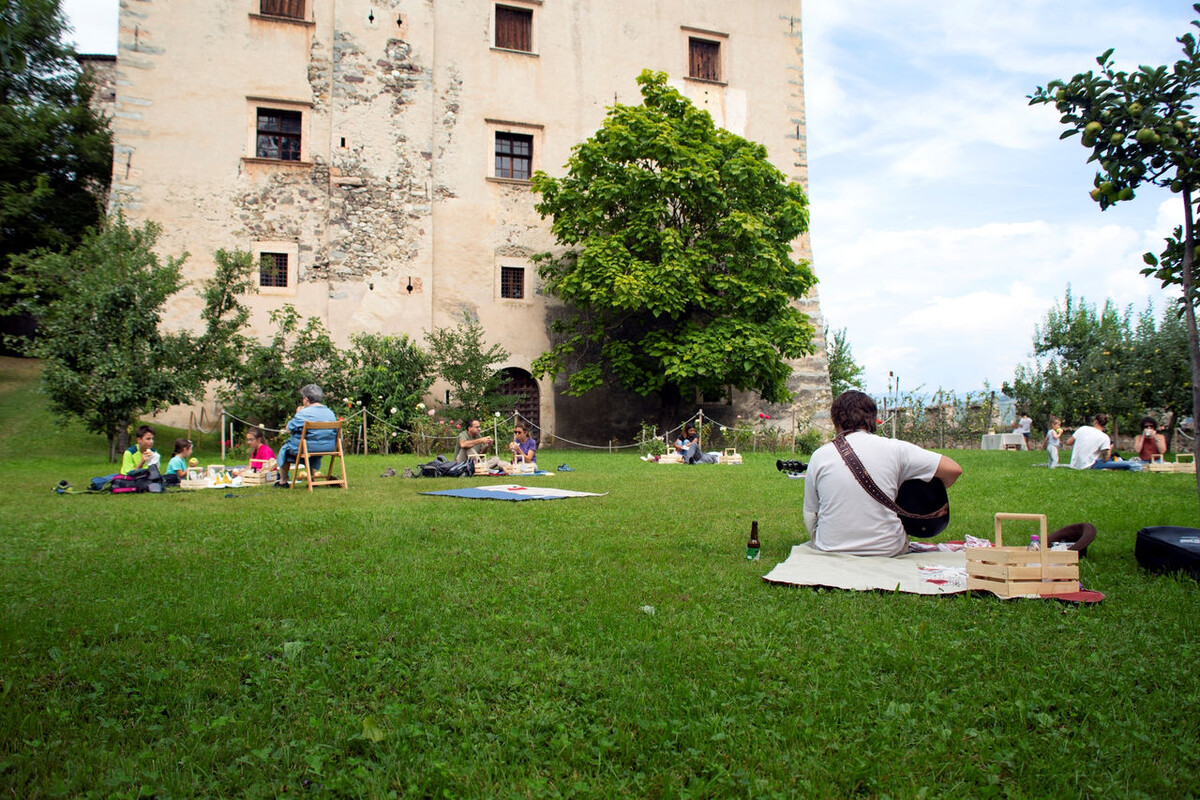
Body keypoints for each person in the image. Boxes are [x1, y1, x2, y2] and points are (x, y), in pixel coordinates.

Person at [803, 390, 962, 557]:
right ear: (872, 418)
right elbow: (953, 470)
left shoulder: (819, 455)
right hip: (887, 548)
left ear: (835, 419)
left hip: (830, 548)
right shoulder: (895, 448)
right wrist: (915, 491)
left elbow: (811, 512)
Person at [276, 384, 338, 486]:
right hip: (329, 447)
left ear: (305, 399)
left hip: (308, 448)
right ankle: (312, 480)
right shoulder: (330, 413)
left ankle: (283, 481)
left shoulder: (303, 413)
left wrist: (297, 413)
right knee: (308, 446)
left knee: (286, 449)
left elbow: (288, 429)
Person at [1066, 413, 1134, 470]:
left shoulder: (1083, 428)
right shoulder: (1104, 437)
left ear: (1095, 421)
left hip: (1074, 465)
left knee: (1108, 460)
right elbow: (1105, 459)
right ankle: (1135, 465)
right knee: (1120, 462)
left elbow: (1068, 442)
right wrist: (1110, 448)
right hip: (1089, 465)